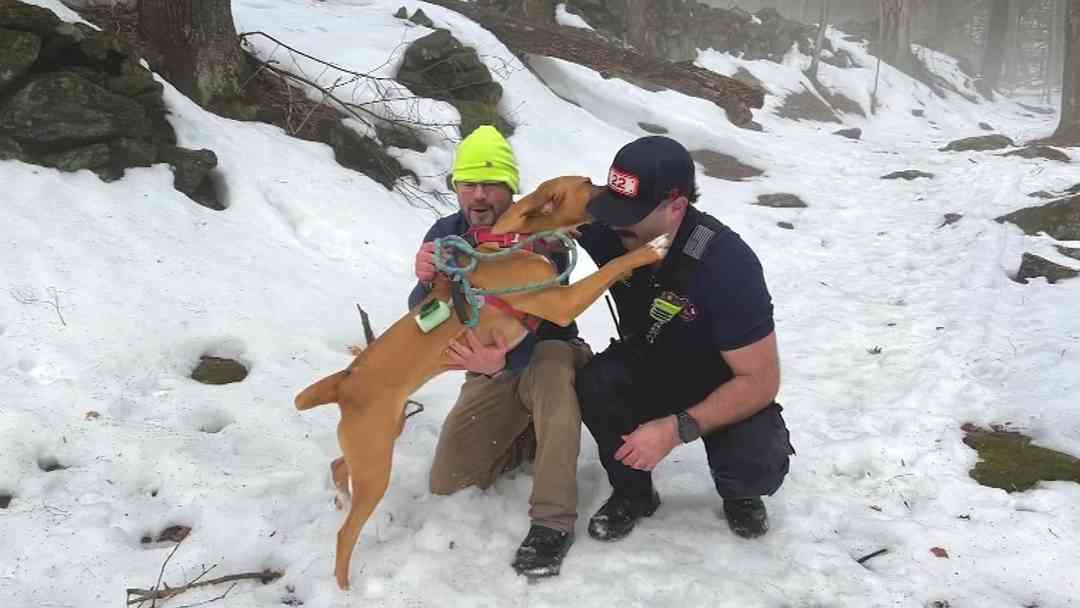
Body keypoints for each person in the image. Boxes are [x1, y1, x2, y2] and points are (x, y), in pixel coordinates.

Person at [574, 135, 794, 543]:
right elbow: (533, 215)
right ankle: (633, 493)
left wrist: (677, 429)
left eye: (632, 213)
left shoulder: (728, 264)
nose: (616, 224)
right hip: (648, 364)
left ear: (676, 206)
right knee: (596, 382)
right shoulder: (615, 229)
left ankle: (739, 493)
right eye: (613, 209)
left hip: (722, 382)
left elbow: (760, 381)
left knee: (756, 460)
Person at [408, 126, 591, 578]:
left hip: (547, 350)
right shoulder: (448, 233)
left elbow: (545, 313)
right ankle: (530, 437)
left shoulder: (541, 236)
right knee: (450, 482)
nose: (479, 196)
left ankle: (553, 521)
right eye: (468, 184)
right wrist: (426, 280)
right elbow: (425, 317)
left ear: (511, 189)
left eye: (491, 184)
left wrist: (503, 362)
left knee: (552, 379)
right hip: (489, 369)